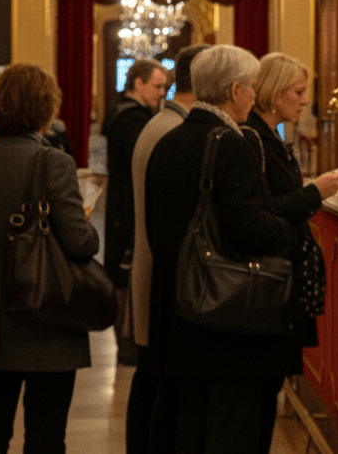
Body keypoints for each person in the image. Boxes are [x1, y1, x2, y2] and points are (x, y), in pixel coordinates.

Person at [144, 45, 296, 454]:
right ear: (234, 90)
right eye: (251, 87)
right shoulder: (230, 144)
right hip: (226, 322)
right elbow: (250, 230)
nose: (253, 96)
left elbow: (156, 227)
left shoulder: (170, 141)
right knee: (231, 429)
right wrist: (288, 229)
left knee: (189, 428)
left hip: (181, 311)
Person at [0, 64, 101, 453]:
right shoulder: (54, 162)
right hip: (46, 318)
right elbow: (80, 244)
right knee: (46, 436)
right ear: (45, 110)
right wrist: (86, 222)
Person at [242, 53, 338, 436]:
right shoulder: (254, 139)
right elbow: (265, 212)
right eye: (298, 92)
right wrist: (315, 192)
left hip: (284, 277)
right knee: (260, 390)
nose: (305, 101)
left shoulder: (271, 136)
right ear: (273, 93)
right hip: (271, 279)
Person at [125, 44, 210, 454]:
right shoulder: (171, 129)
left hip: (153, 269)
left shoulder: (164, 122)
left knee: (150, 380)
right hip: (160, 274)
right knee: (154, 385)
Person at [102, 57, 167, 365]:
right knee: (125, 279)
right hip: (128, 210)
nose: (162, 93)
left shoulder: (123, 111)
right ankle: (128, 346)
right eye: (157, 86)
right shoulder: (132, 119)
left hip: (122, 207)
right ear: (138, 84)